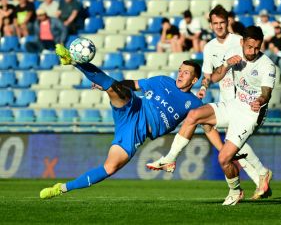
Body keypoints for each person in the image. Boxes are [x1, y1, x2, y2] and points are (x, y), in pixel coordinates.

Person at [39, 44, 207, 199]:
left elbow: (205, 126)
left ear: (194, 80)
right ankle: (74, 61)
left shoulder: (194, 103)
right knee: (115, 88)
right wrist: (107, 85)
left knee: (110, 168)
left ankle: (61, 188)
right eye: (180, 70)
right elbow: (133, 84)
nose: (180, 74)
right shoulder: (163, 81)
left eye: (186, 72)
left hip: (136, 133)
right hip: (134, 108)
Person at [147, 26, 275, 206]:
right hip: (234, 104)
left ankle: (236, 191)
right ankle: (170, 159)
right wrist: (226, 65)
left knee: (224, 159)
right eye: (249, 47)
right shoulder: (233, 52)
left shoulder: (267, 65)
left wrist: (260, 100)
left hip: (251, 114)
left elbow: (267, 93)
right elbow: (215, 77)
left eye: (257, 47)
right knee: (193, 115)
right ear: (242, 42)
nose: (253, 52)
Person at [194, 5, 272, 201]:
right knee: (207, 125)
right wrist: (203, 87)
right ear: (210, 25)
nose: (219, 27)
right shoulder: (209, 47)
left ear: (228, 22)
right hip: (225, 99)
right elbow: (208, 75)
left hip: (239, 101)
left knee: (233, 144)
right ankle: (260, 178)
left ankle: (259, 176)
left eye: (222, 22)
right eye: (215, 23)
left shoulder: (239, 41)